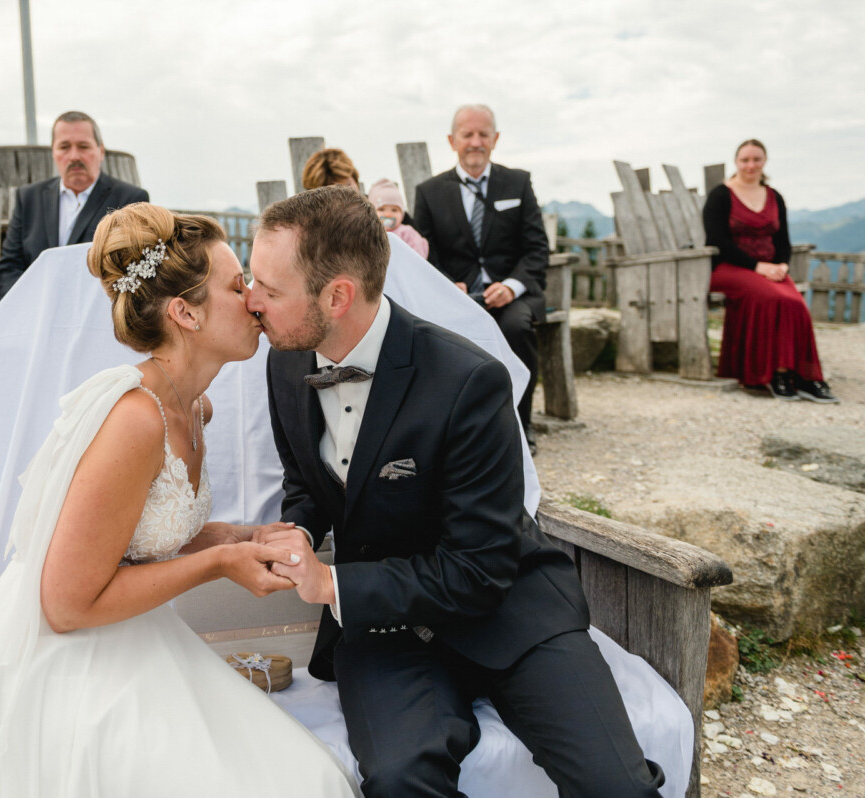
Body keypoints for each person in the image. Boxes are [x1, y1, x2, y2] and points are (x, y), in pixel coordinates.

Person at [247, 186, 665, 798]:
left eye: (268, 288)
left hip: (509, 610)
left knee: (616, 786)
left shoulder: (467, 380)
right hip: (386, 631)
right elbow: (304, 481)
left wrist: (331, 583)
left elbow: (481, 567)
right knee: (399, 779)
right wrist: (300, 532)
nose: (250, 300)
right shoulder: (286, 361)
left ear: (337, 296)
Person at [0, 204, 361, 796]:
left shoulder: (193, 405)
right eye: (239, 286)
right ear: (185, 312)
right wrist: (216, 564)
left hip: (138, 635)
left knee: (307, 775)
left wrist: (237, 537)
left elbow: (138, 539)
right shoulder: (134, 421)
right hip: (72, 666)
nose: (256, 299)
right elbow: (65, 606)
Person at [413, 104, 550, 450]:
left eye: (483, 134)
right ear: (452, 140)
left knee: (517, 329)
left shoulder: (518, 182)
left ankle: (521, 422)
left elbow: (536, 248)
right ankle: (456, 429)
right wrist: (447, 286)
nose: (475, 142)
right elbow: (425, 255)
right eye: (467, 135)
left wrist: (512, 285)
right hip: (455, 297)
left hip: (512, 296)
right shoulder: (429, 192)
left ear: (495, 139)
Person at [703, 139, 837, 402]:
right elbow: (716, 240)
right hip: (730, 268)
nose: (750, 165)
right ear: (736, 162)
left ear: (764, 162)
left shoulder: (774, 196)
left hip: (769, 268)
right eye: (745, 160)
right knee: (775, 299)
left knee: (796, 303)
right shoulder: (721, 195)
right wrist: (757, 266)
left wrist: (782, 265)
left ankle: (806, 377)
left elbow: (783, 241)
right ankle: (777, 374)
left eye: (756, 159)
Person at [0, 111, 149, 299]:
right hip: (37, 313)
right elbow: (10, 266)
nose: (74, 156)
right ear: (53, 152)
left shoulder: (129, 200)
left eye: (83, 146)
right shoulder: (28, 198)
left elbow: (134, 269)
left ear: (100, 151)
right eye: (64, 147)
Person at [367, 178, 428, 258]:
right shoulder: (370, 233)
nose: (388, 214)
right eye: (381, 209)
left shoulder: (406, 232)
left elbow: (418, 253)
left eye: (394, 210)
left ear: (402, 215)